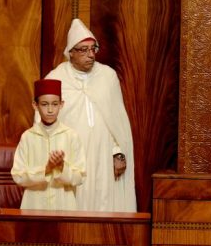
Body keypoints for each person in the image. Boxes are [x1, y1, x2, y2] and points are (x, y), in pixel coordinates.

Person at [42, 19, 137, 212]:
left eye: (93, 49)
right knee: (73, 208)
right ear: (71, 52)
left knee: (104, 205)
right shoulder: (55, 79)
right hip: (71, 159)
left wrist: (118, 152)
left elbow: (117, 122)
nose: (91, 55)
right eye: (83, 50)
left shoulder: (108, 76)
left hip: (104, 157)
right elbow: (43, 125)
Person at [12, 79, 86, 210]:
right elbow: (18, 176)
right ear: (35, 105)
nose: (50, 110)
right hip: (33, 207)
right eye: (44, 104)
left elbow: (80, 177)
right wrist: (46, 170)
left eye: (55, 104)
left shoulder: (71, 136)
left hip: (64, 207)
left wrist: (62, 167)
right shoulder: (28, 137)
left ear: (61, 104)